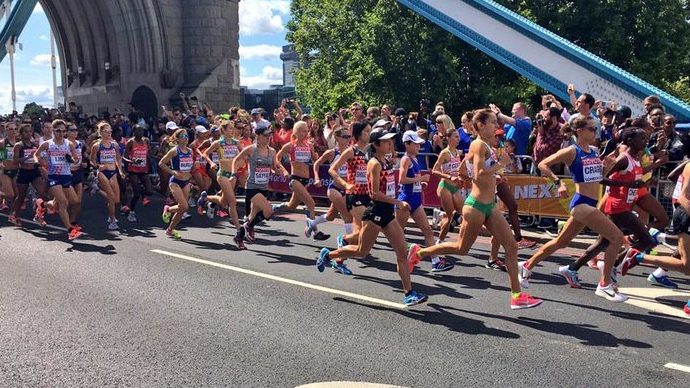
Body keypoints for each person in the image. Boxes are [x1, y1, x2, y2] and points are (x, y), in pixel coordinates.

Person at [409, 109, 542, 310]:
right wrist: (499, 165)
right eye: (492, 122)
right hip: (477, 206)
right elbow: (479, 173)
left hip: (489, 205)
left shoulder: (483, 145)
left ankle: (517, 295)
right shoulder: (479, 144)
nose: (496, 126)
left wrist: (492, 178)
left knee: (512, 246)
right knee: (461, 249)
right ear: (480, 125)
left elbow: (464, 170)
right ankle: (419, 253)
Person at [518, 116, 627, 302]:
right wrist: (558, 182)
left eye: (596, 129)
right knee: (617, 238)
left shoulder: (593, 151)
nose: (596, 133)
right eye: (592, 129)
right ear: (580, 131)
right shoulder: (571, 151)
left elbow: (596, 179)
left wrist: (606, 169)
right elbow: (543, 164)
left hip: (590, 203)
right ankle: (604, 284)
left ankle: (527, 265)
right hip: (581, 203)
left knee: (560, 242)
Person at [316, 127, 429, 306]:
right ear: (376, 145)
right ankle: (328, 255)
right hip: (375, 211)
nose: (390, 143)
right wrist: (397, 203)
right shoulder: (374, 164)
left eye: (391, 141)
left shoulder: (387, 160)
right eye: (386, 141)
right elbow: (374, 193)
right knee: (362, 251)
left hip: (387, 213)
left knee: (401, 251)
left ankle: (409, 293)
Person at [557, 127, 653, 288]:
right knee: (645, 239)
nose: (645, 141)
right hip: (616, 206)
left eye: (645, 138)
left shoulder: (636, 158)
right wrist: (627, 184)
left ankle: (572, 268)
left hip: (625, 205)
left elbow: (633, 179)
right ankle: (614, 266)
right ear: (629, 140)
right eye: (641, 138)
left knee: (603, 242)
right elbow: (601, 178)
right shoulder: (623, 159)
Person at [620, 159, 690, 316]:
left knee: (686, 265)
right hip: (686, 215)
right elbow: (683, 197)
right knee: (687, 265)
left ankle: (641, 255)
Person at [396, 130, 454, 272]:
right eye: (415, 144)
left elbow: (410, 181)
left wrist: (419, 184)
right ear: (407, 144)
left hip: (416, 200)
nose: (418, 147)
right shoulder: (405, 159)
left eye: (419, 144)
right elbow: (401, 179)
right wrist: (420, 179)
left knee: (427, 230)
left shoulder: (414, 159)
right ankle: (406, 257)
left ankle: (435, 261)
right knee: (397, 233)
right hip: (405, 201)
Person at [274, 120, 330, 240]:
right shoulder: (290, 146)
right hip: (295, 179)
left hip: (306, 180)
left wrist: (315, 156)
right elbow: (277, 158)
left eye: (307, 131)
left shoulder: (309, 145)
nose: (306, 133)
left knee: (291, 206)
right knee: (311, 203)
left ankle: (274, 208)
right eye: (303, 131)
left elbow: (315, 161)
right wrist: (284, 170)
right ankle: (314, 231)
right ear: (297, 132)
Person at [232, 124, 282, 250]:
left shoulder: (272, 151)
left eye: (269, 135)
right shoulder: (251, 150)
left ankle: (239, 236)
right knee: (269, 211)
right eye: (265, 135)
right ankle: (248, 227)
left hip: (264, 187)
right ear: (258, 137)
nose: (268, 138)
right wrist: (233, 174)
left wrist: (277, 171)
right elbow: (235, 160)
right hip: (252, 187)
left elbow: (273, 167)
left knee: (252, 217)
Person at [33, 119, 83, 240]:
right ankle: (70, 230)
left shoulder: (69, 144)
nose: (61, 133)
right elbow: (36, 154)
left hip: (65, 175)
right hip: (53, 176)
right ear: (53, 131)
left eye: (63, 131)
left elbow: (76, 159)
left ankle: (41, 205)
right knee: (63, 203)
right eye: (58, 131)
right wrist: (38, 162)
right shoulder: (47, 144)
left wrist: (71, 159)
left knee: (75, 201)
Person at [328, 121, 372, 249]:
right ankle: (344, 240)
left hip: (368, 195)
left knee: (359, 233)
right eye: (366, 131)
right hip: (355, 195)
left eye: (370, 131)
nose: (369, 134)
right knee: (370, 224)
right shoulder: (351, 151)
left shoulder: (371, 151)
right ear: (358, 134)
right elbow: (332, 169)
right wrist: (345, 184)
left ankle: (342, 253)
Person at [198, 120, 243, 229]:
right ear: (223, 130)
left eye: (233, 128)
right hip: (222, 174)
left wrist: (241, 161)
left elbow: (243, 155)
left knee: (224, 201)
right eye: (230, 129)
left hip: (233, 175)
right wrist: (211, 162)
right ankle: (239, 228)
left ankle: (206, 198)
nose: (232, 131)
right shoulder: (218, 143)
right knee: (232, 201)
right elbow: (205, 153)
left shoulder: (236, 142)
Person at [313, 128, 354, 243]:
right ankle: (348, 242)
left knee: (331, 216)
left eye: (349, 137)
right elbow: (316, 164)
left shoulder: (351, 152)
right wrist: (317, 177)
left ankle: (312, 223)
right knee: (348, 216)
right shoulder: (331, 153)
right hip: (335, 188)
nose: (348, 139)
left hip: (347, 189)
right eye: (345, 137)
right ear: (337, 138)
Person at [159, 128, 198, 239]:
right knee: (184, 206)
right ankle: (168, 209)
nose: (186, 138)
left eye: (187, 136)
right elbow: (161, 163)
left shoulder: (190, 151)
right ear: (177, 139)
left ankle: (170, 229)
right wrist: (172, 172)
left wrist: (193, 169)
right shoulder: (174, 151)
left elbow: (191, 165)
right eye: (183, 136)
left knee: (182, 209)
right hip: (175, 182)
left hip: (186, 181)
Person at [431, 118, 464, 244]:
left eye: (458, 137)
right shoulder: (445, 153)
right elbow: (434, 171)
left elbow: (458, 170)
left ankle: (441, 239)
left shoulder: (457, 152)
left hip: (455, 187)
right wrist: (448, 177)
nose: (458, 139)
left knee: (461, 215)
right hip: (445, 186)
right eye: (455, 137)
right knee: (452, 216)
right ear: (448, 138)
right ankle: (440, 239)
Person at [90, 122, 125, 231]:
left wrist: (120, 171)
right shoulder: (97, 146)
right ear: (100, 133)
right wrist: (98, 166)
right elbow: (92, 160)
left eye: (110, 131)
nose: (109, 133)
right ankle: (113, 220)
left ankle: (97, 190)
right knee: (111, 197)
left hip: (113, 172)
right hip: (102, 173)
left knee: (117, 199)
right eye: (106, 131)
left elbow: (118, 158)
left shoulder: (114, 144)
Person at [10, 124, 46, 226]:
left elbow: (38, 157)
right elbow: (15, 161)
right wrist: (28, 157)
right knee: (21, 196)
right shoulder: (19, 145)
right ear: (21, 134)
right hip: (23, 172)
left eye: (30, 131)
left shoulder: (34, 144)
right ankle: (14, 215)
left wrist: (42, 165)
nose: (29, 133)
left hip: (34, 172)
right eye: (26, 131)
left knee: (43, 193)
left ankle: (39, 215)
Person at [123, 124, 153, 222]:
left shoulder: (146, 141)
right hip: (133, 170)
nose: (140, 132)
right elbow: (124, 156)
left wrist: (149, 164)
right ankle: (131, 212)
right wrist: (130, 162)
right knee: (136, 194)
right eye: (138, 131)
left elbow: (148, 154)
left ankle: (142, 194)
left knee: (149, 191)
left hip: (144, 170)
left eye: (142, 130)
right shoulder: (130, 142)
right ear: (134, 132)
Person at [66, 123, 86, 229]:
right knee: (68, 201)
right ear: (67, 132)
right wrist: (72, 160)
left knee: (78, 201)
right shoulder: (64, 144)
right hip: (67, 173)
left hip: (78, 172)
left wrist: (82, 163)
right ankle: (42, 205)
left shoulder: (79, 143)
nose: (75, 132)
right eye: (72, 130)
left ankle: (72, 222)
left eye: (76, 130)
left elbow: (81, 156)